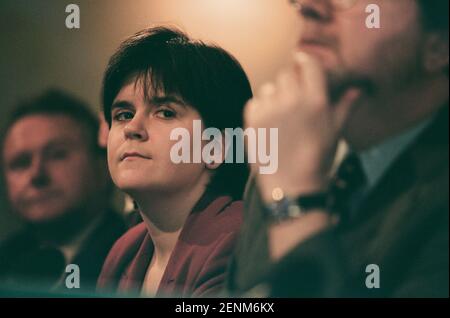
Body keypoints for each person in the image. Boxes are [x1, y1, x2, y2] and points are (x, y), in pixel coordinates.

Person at [229, 0, 449, 297]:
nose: (307, 6)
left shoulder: (289, 181)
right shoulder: (279, 164)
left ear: (440, 46)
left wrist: (297, 205)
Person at [96, 27, 252, 297]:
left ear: (216, 147)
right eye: (123, 114)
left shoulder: (237, 240)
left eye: (165, 113)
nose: (132, 128)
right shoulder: (124, 250)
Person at [0, 89, 126, 295]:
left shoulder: (139, 257)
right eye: (20, 163)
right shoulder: (5, 261)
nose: (36, 175)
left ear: (104, 166)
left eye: (57, 155)